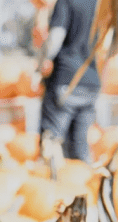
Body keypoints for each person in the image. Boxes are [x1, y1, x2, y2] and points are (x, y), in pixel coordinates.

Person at [37, 0, 102, 163]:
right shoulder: (100, 5)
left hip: (66, 80)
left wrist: (41, 65)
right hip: (91, 83)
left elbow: (56, 37)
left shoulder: (66, 1)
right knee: (80, 146)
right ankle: (85, 183)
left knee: (51, 142)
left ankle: (54, 183)